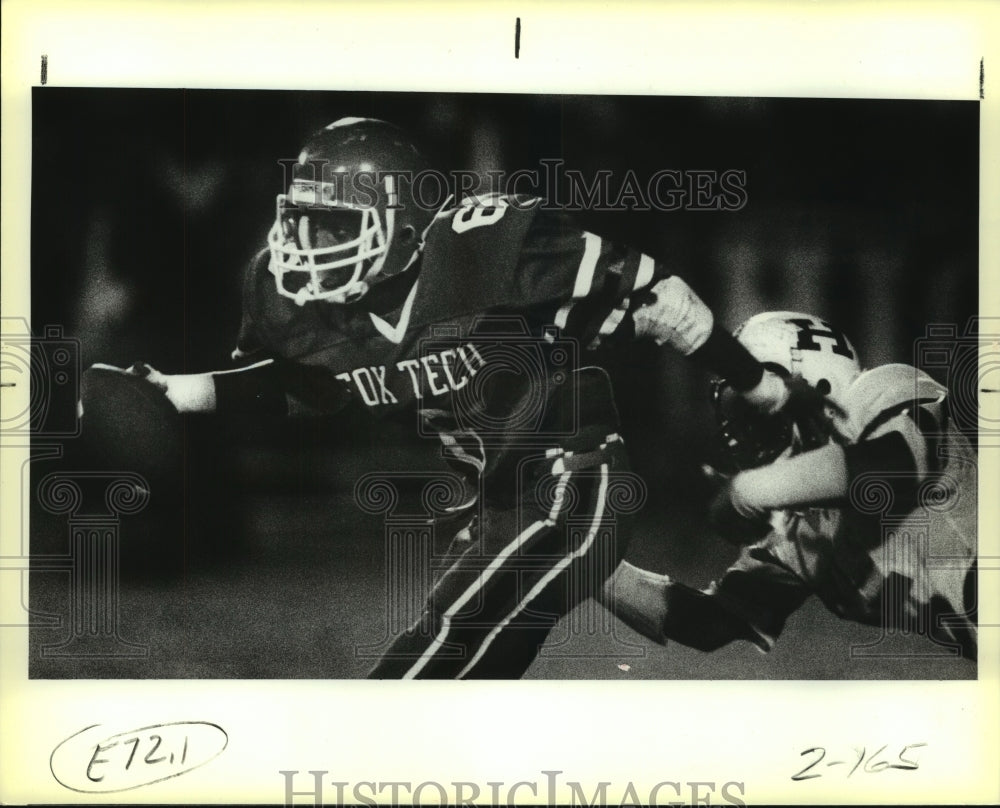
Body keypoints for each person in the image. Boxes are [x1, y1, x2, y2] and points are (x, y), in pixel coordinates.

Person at [114, 118, 819, 678]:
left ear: (407, 224)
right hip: (500, 502)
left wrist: (756, 383)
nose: (308, 243)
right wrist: (180, 392)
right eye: (305, 220)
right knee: (461, 666)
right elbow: (301, 390)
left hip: (572, 472)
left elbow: (654, 292)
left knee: (449, 640)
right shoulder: (312, 300)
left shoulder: (482, 247)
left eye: (335, 224)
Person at [603, 311, 978, 661]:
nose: (740, 436)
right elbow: (711, 624)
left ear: (815, 385)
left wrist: (750, 491)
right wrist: (591, 564)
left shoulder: (879, 393)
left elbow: (889, 467)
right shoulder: (798, 530)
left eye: (753, 411)